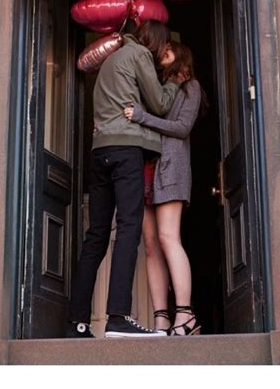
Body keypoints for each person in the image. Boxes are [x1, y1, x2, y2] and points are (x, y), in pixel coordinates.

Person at [66, 20, 181, 339]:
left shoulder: (110, 59)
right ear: (156, 43)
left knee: (97, 236)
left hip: (100, 150)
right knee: (129, 227)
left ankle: (78, 322)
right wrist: (172, 80)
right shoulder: (140, 54)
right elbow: (159, 103)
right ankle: (117, 317)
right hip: (125, 148)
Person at [124, 41, 203, 336]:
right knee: (151, 244)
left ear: (181, 53)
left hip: (171, 169)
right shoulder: (155, 87)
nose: (163, 51)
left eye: (169, 47)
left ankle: (185, 315)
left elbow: (182, 128)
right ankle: (161, 320)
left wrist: (142, 117)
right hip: (147, 167)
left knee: (169, 238)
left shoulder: (190, 87)